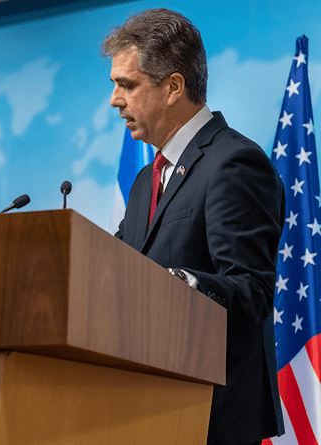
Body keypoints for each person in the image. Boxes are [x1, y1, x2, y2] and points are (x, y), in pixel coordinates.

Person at [104, 9, 284, 445]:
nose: (114, 99)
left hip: (212, 416)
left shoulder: (234, 163)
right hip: (150, 407)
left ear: (173, 87)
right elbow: (113, 266)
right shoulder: (147, 179)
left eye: (126, 85)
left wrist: (174, 283)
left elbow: (252, 290)